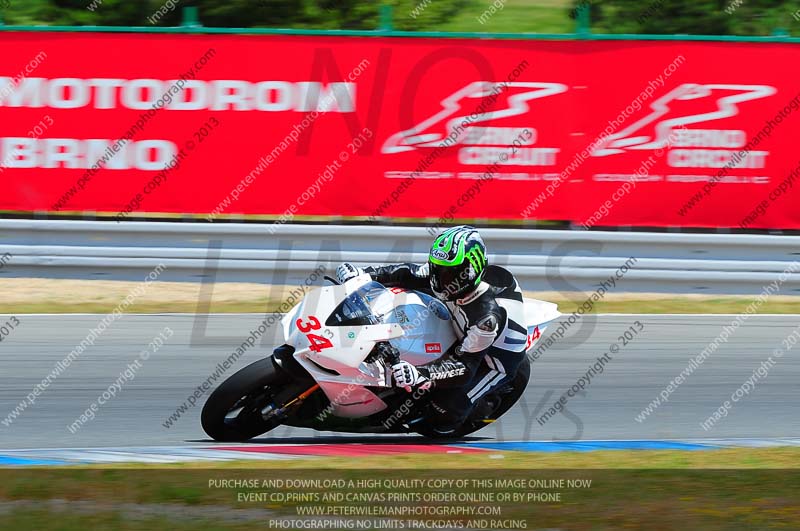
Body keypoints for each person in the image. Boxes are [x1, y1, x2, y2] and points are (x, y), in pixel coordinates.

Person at [335, 225, 528, 434]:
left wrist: (419, 373)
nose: (440, 279)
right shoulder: (448, 279)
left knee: (446, 408)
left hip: (493, 360)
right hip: (463, 327)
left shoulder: (486, 319)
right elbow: (408, 272)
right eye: (438, 269)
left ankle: (454, 419)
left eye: (449, 273)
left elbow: (464, 367)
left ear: (470, 271)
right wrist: (363, 275)